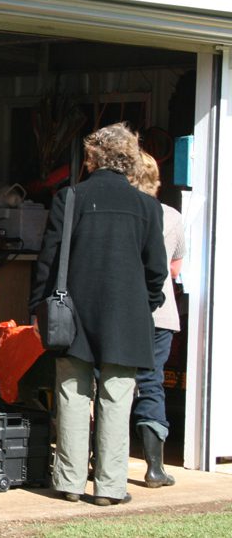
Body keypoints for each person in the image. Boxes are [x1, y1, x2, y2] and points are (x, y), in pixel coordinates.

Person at [31, 123, 167, 506]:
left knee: (72, 395)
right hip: (127, 315)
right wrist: (146, 303)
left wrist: (37, 307)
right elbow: (156, 270)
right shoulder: (148, 206)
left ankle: (70, 482)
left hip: (72, 313)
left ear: (92, 157)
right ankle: (110, 487)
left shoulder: (70, 197)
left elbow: (48, 261)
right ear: (130, 160)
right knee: (117, 397)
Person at [129, 151, 185, 488]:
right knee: (151, 383)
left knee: (112, 382)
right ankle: (155, 468)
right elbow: (175, 270)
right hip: (161, 314)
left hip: (123, 312)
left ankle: (102, 460)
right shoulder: (172, 216)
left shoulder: (122, 214)